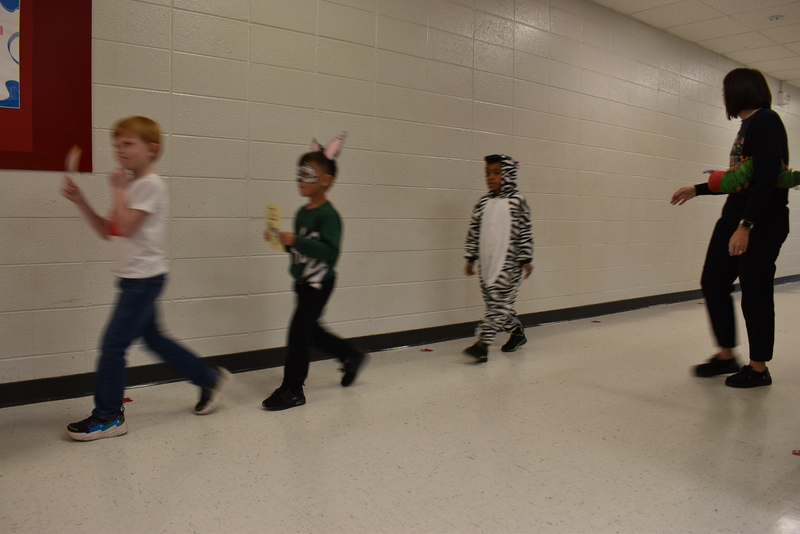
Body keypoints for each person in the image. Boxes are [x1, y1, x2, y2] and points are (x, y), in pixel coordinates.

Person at [61, 116, 231, 441]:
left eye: (127, 143)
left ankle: (109, 416)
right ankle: (208, 378)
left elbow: (126, 226)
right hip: (132, 279)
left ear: (151, 149)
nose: (119, 150)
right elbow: (109, 231)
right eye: (116, 144)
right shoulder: (133, 187)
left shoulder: (151, 185)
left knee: (112, 346)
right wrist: (81, 200)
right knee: (154, 338)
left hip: (143, 281)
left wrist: (118, 189)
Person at [671, 68, 789, 388]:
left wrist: (746, 227)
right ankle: (726, 355)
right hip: (734, 216)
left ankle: (759, 367)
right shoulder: (747, 125)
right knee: (713, 281)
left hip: (760, 223)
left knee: (755, 292)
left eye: (726, 90)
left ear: (740, 90)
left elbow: (766, 178)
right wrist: (698, 188)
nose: (723, 96)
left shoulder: (766, 120)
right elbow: (741, 177)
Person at [261, 134, 366, 411]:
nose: (300, 181)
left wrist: (296, 240)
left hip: (320, 283)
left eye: (307, 176)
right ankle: (351, 355)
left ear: (325, 180)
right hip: (303, 281)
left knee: (298, 335)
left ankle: (293, 389)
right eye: (298, 176)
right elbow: (303, 249)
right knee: (311, 332)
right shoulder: (302, 212)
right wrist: (281, 242)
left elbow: (329, 252)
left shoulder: (329, 216)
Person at [463, 154, 533, 363]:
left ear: (509, 174)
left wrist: (526, 258)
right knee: (498, 305)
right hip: (487, 264)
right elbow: (474, 231)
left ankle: (482, 345)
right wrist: (470, 257)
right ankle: (518, 333)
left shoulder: (517, 201)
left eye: (496, 173)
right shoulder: (483, 203)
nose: (490, 177)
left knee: (497, 305)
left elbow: (525, 231)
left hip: (510, 264)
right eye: (487, 173)